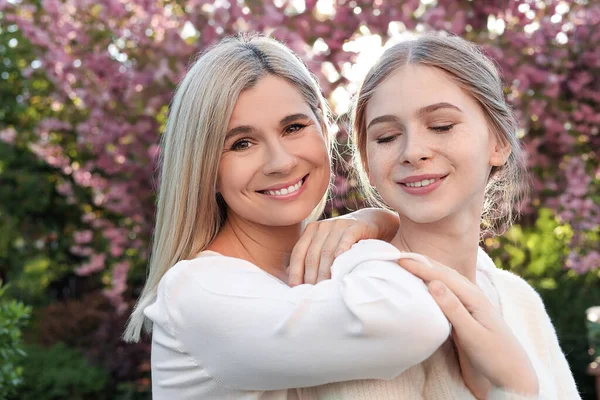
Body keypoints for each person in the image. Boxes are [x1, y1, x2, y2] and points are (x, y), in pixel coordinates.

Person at [123, 34, 452, 399]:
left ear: (324, 130)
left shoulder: (325, 263)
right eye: (241, 144)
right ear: (204, 169)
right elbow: (418, 323)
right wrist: (380, 225)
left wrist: (374, 221)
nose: (280, 162)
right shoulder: (200, 291)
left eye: (293, 128)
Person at [298, 34, 580, 399]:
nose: (413, 151)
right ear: (367, 163)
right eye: (386, 136)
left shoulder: (518, 299)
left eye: (442, 126)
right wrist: (515, 387)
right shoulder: (365, 306)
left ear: (498, 142)